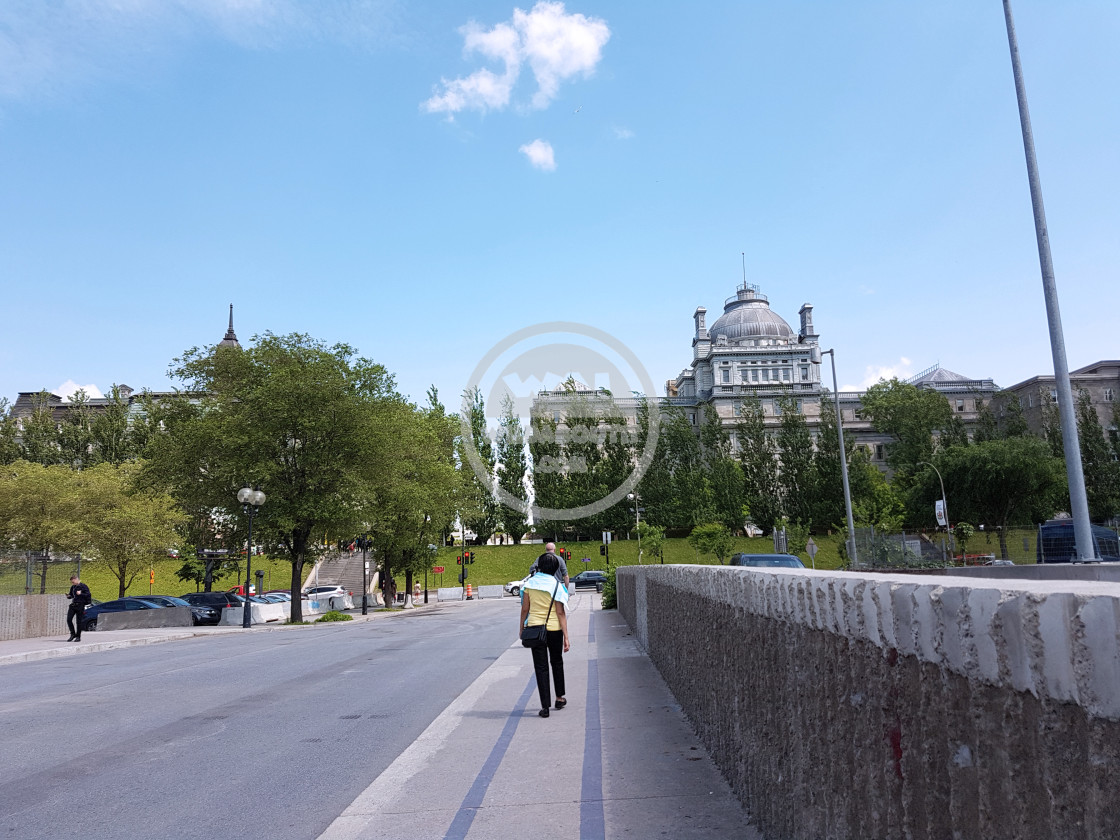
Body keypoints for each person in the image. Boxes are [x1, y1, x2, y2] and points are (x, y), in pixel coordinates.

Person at [519, 553, 570, 717]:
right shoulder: (556, 586)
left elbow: (525, 609)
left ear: (539, 566)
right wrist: (566, 637)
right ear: (555, 568)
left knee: (540, 667)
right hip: (555, 629)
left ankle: (545, 706)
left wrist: (521, 628)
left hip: (535, 629)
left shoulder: (530, 585)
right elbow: (560, 613)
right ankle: (559, 697)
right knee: (556, 662)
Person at [66, 574, 92, 642]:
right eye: (72, 582)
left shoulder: (83, 586)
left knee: (79, 622)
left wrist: (81, 593)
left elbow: (88, 594)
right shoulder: (73, 587)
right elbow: (72, 595)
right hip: (73, 605)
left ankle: (78, 636)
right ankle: (72, 634)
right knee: (69, 619)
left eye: (73, 582)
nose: (73, 583)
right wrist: (69, 596)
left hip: (80, 605)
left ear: (76, 579)